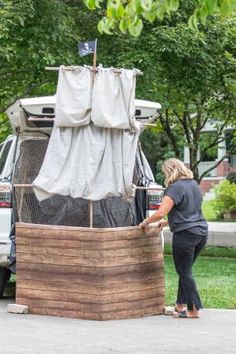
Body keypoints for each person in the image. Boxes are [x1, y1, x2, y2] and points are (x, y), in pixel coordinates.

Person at [139, 158, 208, 319]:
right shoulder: (194, 185)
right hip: (201, 233)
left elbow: (161, 211)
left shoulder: (174, 188)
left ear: (170, 171)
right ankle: (179, 305)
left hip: (185, 235)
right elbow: (188, 211)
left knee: (184, 272)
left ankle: (193, 310)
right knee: (186, 271)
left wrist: (146, 222)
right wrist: (167, 222)